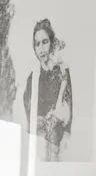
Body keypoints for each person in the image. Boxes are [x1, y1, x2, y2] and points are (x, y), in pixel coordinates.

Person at [22, 18, 72, 161]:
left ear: (51, 43)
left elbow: (68, 108)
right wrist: (36, 119)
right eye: (37, 44)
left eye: (45, 42)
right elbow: (27, 106)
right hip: (37, 144)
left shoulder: (61, 72)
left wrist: (56, 116)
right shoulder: (33, 77)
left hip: (59, 144)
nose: (41, 49)